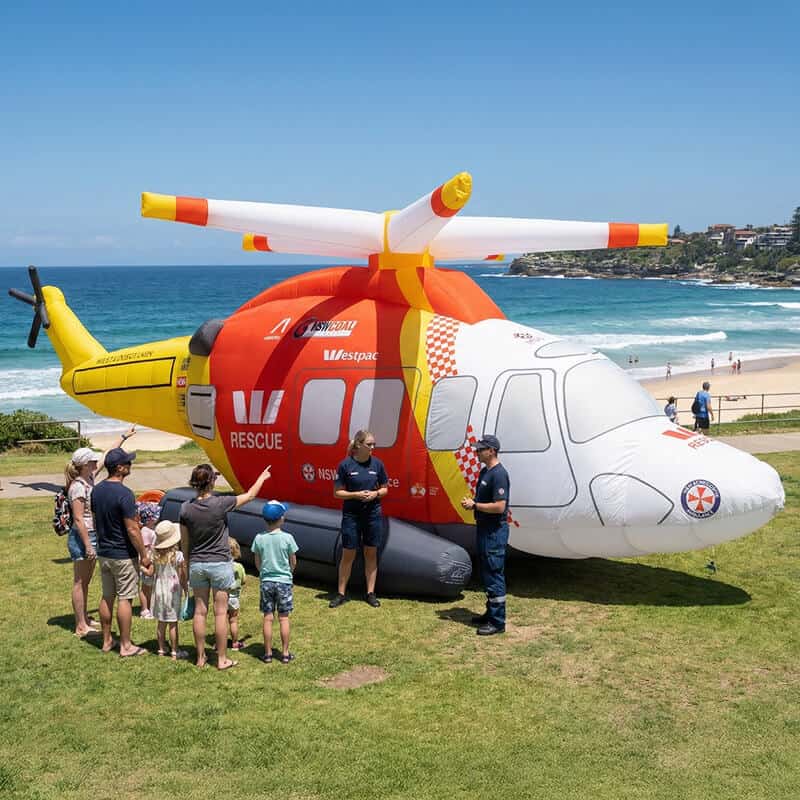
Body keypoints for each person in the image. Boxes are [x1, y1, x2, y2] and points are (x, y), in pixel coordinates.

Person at [179, 462, 272, 670]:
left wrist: (186, 564)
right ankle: (221, 659)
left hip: (197, 564)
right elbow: (250, 495)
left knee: (200, 612)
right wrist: (262, 478)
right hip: (219, 563)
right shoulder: (220, 503)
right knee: (221, 613)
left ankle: (200, 657)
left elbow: (184, 542)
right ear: (212, 482)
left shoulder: (185, 508)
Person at [92, 447, 152, 657]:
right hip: (122, 554)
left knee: (107, 596)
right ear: (119, 468)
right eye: (128, 462)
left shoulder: (96, 490)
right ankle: (126, 645)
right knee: (125, 598)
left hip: (104, 552)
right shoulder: (125, 494)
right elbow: (132, 529)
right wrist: (144, 555)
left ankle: (107, 640)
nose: (130, 465)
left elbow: (96, 520)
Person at [330, 429, 389, 609]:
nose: (373, 447)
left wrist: (375, 494)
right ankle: (341, 593)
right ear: (358, 445)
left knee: (371, 553)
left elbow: (385, 489)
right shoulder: (345, 465)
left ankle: (370, 593)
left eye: (374, 444)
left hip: (372, 515)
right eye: (369, 444)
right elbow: (337, 493)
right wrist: (356, 494)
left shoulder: (378, 464)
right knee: (348, 553)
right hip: (352, 516)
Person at [460, 434, 511, 636]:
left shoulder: (499, 474)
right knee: (487, 573)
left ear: (491, 451)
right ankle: (490, 613)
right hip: (484, 530)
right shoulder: (485, 472)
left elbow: (500, 507)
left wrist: (475, 505)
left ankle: (497, 622)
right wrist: (475, 504)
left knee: (494, 573)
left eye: (481, 449)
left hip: (494, 532)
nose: (477, 452)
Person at [252, 500, 299, 664]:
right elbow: (293, 561)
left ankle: (268, 654)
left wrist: (263, 573)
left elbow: (257, 561)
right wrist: (289, 573)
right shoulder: (288, 538)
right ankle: (285, 654)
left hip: (266, 581)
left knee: (268, 618)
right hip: (284, 582)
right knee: (284, 618)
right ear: (281, 518)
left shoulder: (259, 538)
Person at [65, 446, 104, 638]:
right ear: (85, 464)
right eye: (93, 461)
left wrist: (123, 438)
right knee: (80, 582)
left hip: (91, 534)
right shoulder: (78, 487)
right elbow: (78, 518)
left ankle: (85, 618)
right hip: (83, 537)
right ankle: (80, 625)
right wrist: (88, 545)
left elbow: (105, 458)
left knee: (86, 581)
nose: (96, 463)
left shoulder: (89, 478)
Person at [150, 520, 188, 660]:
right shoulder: (178, 556)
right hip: (173, 592)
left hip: (159, 590)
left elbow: (152, 572)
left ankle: (161, 649)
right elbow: (182, 576)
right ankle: (174, 650)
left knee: (161, 622)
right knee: (173, 623)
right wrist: (185, 587)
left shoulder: (155, 556)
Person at [136, 501, 160, 618]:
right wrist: (146, 563)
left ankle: (151, 607)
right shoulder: (145, 531)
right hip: (147, 563)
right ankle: (144, 609)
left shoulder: (152, 530)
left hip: (153, 561)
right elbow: (145, 549)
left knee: (151, 586)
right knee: (145, 587)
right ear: (150, 518)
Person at [227, 538, 246, 651]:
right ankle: (235, 643)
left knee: (221, 620)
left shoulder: (221, 566)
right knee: (233, 620)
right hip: (234, 599)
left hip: (222, 597)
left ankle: (220, 644)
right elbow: (243, 581)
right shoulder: (239, 567)